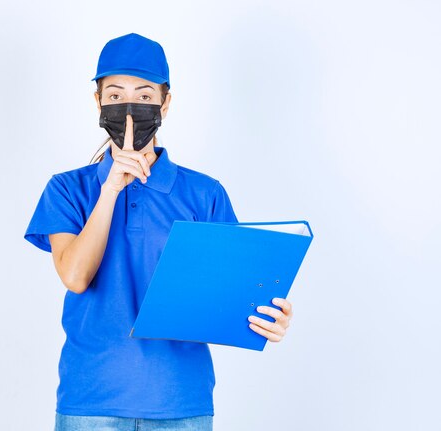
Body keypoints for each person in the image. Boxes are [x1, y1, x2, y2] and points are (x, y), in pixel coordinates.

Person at [24, 33, 293, 431]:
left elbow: (230, 295)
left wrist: (268, 318)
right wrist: (111, 188)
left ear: (166, 103)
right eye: (115, 96)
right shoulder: (67, 189)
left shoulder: (204, 193)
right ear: (96, 101)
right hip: (91, 399)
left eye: (145, 96)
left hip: (180, 400)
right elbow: (76, 276)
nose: (130, 109)